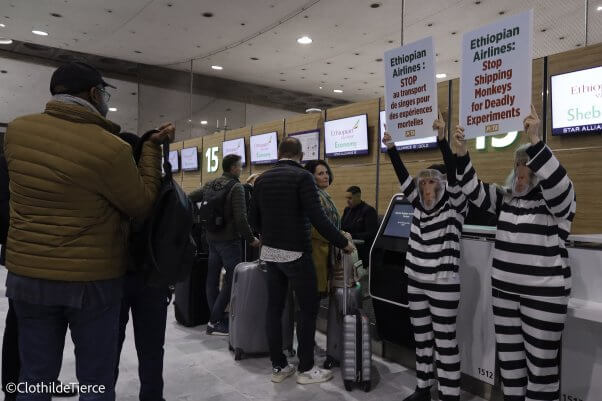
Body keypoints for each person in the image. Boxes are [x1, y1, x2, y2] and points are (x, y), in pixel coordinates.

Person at [3, 61, 174, 401]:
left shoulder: (17, 133)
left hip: (28, 277)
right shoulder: (110, 149)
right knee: (96, 380)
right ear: (95, 93)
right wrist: (151, 150)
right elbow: (140, 205)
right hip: (91, 283)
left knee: (34, 376)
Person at [453, 105, 576, 401]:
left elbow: (560, 186)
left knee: (541, 370)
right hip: (505, 295)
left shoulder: (557, 203)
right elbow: (473, 189)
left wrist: (536, 141)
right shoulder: (505, 198)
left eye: (528, 167)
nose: (520, 173)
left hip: (543, 297)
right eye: (518, 166)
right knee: (510, 368)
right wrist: (461, 153)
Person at [249, 137, 354, 385]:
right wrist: (342, 242)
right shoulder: (302, 177)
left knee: (274, 310)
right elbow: (317, 217)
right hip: (297, 253)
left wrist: (269, 235)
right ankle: (306, 369)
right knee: (306, 312)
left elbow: (253, 218)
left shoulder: (262, 179)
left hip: (270, 255)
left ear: (279, 152)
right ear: (301, 154)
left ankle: (279, 367)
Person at [383, 112, 468, 401]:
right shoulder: (417, 204)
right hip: (416, 278)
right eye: (424, 184)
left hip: (443, 281)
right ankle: (423, 388)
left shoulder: (455, 206)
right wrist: (392, 147)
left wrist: (442, 140)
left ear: (443, 186)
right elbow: (403, 175)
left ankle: (450, 395)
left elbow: (456, 176)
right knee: (421, 339)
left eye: (433, 184)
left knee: (445, 341)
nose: (427, 189)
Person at [114, 133, 171, 401]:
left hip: (113, 276)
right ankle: (152, 396)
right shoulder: (159, 189)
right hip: (152, 277)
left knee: (108, 346)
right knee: (151, 347)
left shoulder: (109, 186)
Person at [199, 154, 260, 336]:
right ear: (233, 168)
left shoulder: (211, 184)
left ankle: (215, 319)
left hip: (211, 237)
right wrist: (251, 239)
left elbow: (191, 197)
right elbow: (241, 218)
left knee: (212, 279)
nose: (241, 169)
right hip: (228, 241)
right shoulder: (236, 187)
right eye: (240, 166)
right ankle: (215, 321)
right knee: (233, 278)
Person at [304, 160, 340, 297]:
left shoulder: (325, 196)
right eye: (320, 173)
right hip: (315, 252)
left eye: (326, 173)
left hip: (324, 250)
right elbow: (313, 227)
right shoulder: (314, 197)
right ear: (311, 177)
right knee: (313, 296)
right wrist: (336, 236)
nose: (326, 176)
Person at [341, 186, 378, 269]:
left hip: (361, 249)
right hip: (347, 246)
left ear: (358, 196)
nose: (347, 201)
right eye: (347, 198)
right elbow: (341, 227)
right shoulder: (347, 210)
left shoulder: (369, 211)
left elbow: (371, 234)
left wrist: (350, 236)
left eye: (350, 198)